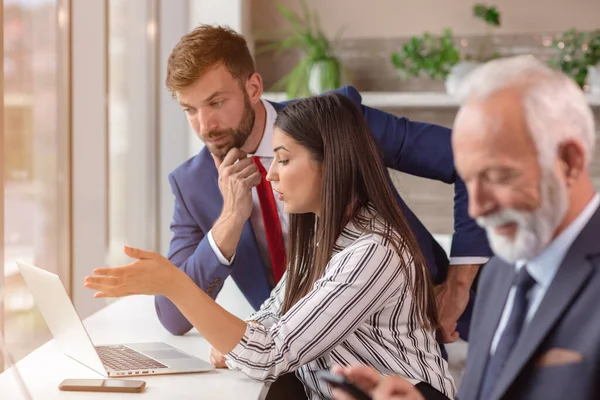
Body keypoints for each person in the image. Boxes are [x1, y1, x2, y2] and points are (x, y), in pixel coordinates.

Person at [84, 93, 456, 400]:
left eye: (285, 159)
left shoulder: (372, 251)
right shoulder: (321, 238)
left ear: (331, 163)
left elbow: (269, 351)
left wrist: (174, 284)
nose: (272, 173)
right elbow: (266, 320)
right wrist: (240, 341)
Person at [155, 24, 491, 343]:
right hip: (299, 358)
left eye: (216, 102)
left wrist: (459, 285)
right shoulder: (192, 184)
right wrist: (228, 221)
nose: (205, 125)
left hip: (417, 330)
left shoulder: (337, 120)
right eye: (190, 110)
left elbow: (474, 159)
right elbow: (173, 317)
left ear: (253, 88)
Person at [330, 55, 600, 400]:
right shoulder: (501, 273)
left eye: (497, 176)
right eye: (469, 179)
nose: (478, 207)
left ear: (570, 161)